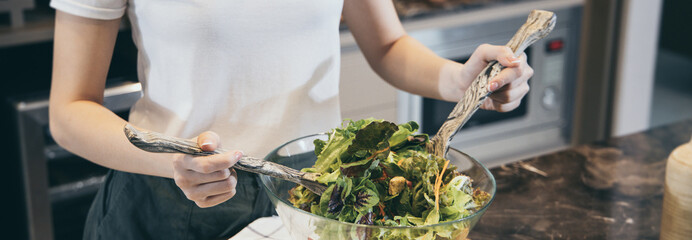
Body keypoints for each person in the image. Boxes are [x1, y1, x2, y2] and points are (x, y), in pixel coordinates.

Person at [48, 0, 532, 239]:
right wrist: (176, 164)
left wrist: (461, 81)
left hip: (314, 198)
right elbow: (69, 112)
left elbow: (387, 45)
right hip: (169, 197)